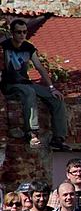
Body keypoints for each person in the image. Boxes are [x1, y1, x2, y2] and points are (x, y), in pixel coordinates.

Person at [0, 19, 69, 150]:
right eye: (18, 32)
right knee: (28, 92)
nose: (22, 35)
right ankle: (32, 132)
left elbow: (39, 67)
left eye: (24, 32)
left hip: (26, 83)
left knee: (56, 99)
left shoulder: (28, 48)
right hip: (10, 85)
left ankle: (59, 138)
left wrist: (52, 88)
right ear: (12, 33)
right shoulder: (4, 47)